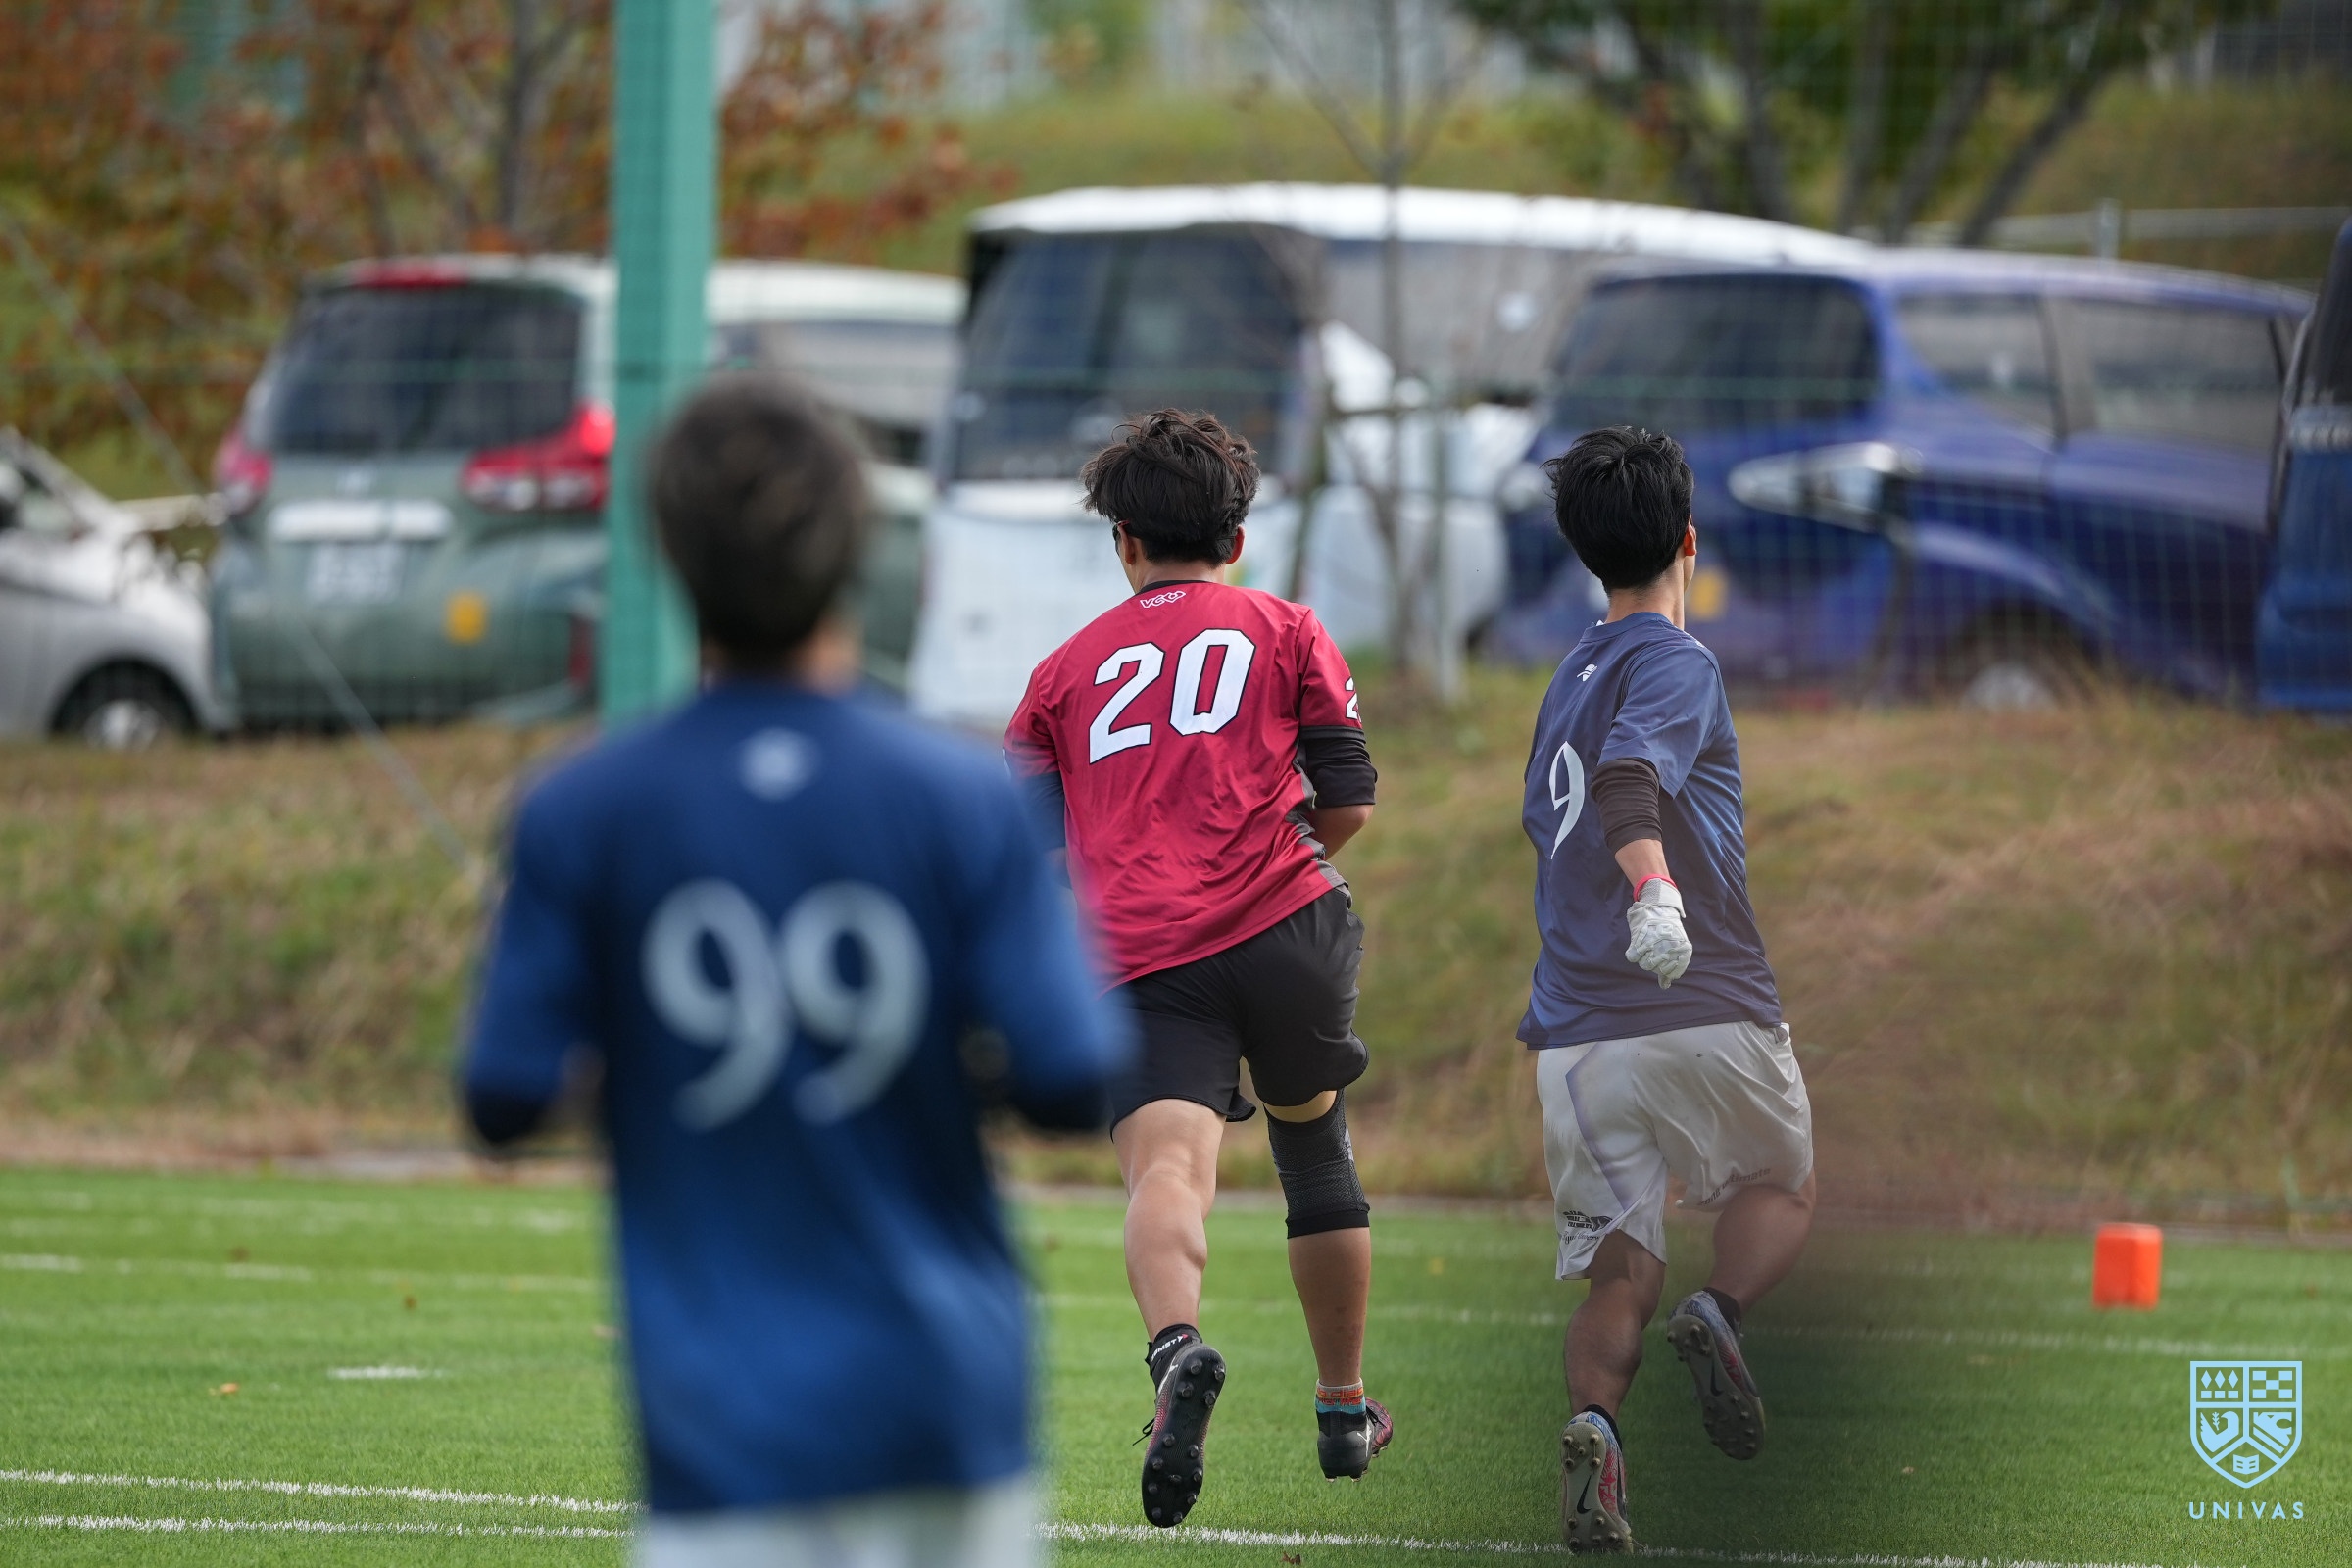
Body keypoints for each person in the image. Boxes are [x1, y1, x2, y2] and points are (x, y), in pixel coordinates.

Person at [461, 376, 1129, 1568]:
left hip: (725, 1430)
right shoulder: (960, 794)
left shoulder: (583, 806)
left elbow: (503, 1092)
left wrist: (651, 1059)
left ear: (669, 553)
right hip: (946, 1413)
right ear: (857, 548)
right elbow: (1075, 1075)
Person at [1004, 409, 1391, 1529]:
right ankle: (1343, 1407)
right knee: (1313, 1143)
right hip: (1288, 923)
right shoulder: (1286, 627)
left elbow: (1035, 850)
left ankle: (1177, 1350)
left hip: (1143, 952)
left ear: (1124, 541)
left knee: (1167, 1168)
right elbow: (1350, 798)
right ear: (1238, 536)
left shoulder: (1061, 675)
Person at [1518, 426, 1816, 1554]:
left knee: (1617, 1267)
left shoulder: (1565, 680)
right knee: (1784, 1185)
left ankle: (1596, 1430)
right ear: (1690, 540)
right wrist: (1657, 894)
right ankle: (1719, 1309)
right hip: (1699, 990)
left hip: (1577, 1034)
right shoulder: (1679, 662)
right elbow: (1630, 778)